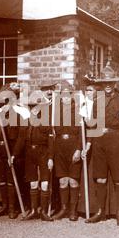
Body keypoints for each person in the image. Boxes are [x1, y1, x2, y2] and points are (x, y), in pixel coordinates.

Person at [84, 64, 119, 226]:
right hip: (99, 141)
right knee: (100, 178)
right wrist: (88, 143)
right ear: (101, 84)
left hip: (116, 141)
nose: (108, 86)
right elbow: (92, 124)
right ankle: (100, 211)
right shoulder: (96, 101)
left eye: (111, 83)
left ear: (115, 84)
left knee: (118, 179)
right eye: (105, 83)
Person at [13, 90, 55, 222]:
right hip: (30, 154)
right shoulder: (25, 122)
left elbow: (51, 142)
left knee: (44, 183)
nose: (34, 109)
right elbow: (20, 140)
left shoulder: (46, 121)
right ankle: (33, 211)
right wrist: (14, 155)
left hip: (43, 153)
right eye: (31, 107)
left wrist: (50, 158)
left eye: (36, 107)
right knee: (33, 183)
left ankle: (43, 212)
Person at [52, 81, 82, 221]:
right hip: (59, 147)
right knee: (63, 180)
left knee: (73, 181)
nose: (65, 98)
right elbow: (52, 133)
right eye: (62, 95)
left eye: (68, 95)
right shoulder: (55, 111)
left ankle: (72, 210)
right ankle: (63, 209)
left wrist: (78, 149)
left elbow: (82, 132)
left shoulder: (78, 110)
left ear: (71, 96)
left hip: (73, 145)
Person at [0, 84, 22, 219]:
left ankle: (12, 208)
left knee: (11, 181)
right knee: (1, 180)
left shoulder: (17, 115)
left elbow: (20, 138)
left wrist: (15, 154)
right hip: (0, 151)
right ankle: (4, 206)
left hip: (12, 152)